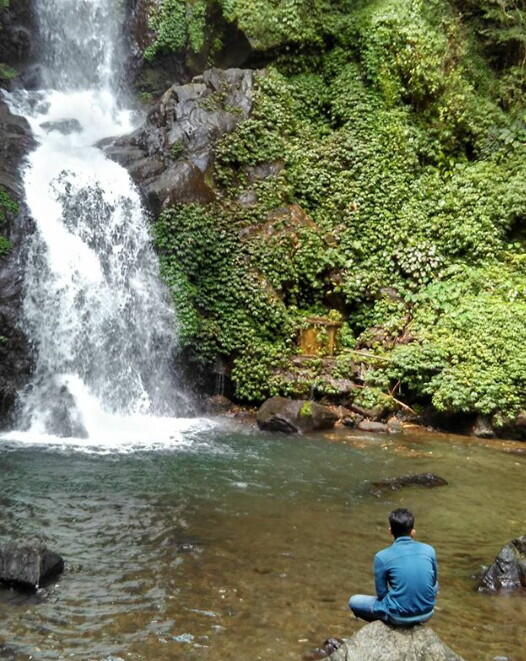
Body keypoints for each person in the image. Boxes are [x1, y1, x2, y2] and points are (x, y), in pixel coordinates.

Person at [348, 508, 438, 626]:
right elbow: (433, 582)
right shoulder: (429, 550)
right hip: (427, 613)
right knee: (435, 584)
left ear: (390, 531)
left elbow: (382, 594)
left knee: (354, 600)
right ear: (413, 532)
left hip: (398, 617)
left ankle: (385, 624)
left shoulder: (381, 556)